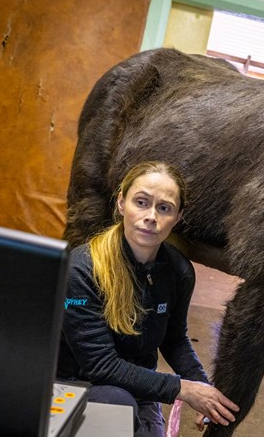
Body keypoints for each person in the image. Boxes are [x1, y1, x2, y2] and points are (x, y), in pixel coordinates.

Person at [58, 160, 239, 435]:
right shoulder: (82, 269)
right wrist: (182, 389)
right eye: (141, 202)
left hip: (140, 388)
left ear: (177, 217)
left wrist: (203, 389)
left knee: (127, 406)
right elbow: (100, 366)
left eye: (164, 208)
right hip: (80, 383)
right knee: (116, 403)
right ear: (121, 204)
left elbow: (174, 338)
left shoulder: (179, 271)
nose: (151, 216)